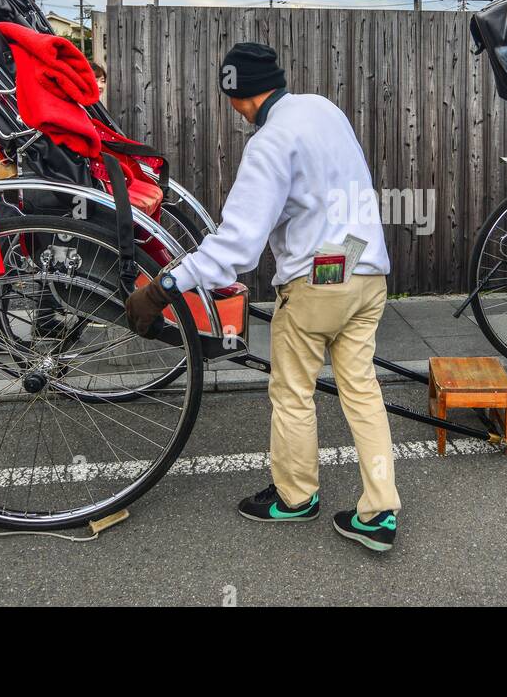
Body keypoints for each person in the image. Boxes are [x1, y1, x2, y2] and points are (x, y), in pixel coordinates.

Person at [124, 43, 401, 551]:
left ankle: (296, 498)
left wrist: (164, 286)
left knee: (292, 390)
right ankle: (379, 511)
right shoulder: (322, 108)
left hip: (319, 280)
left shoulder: (269, 143)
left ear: (235, 98)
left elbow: (238, 246)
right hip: (367, 266)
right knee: (362, 391)